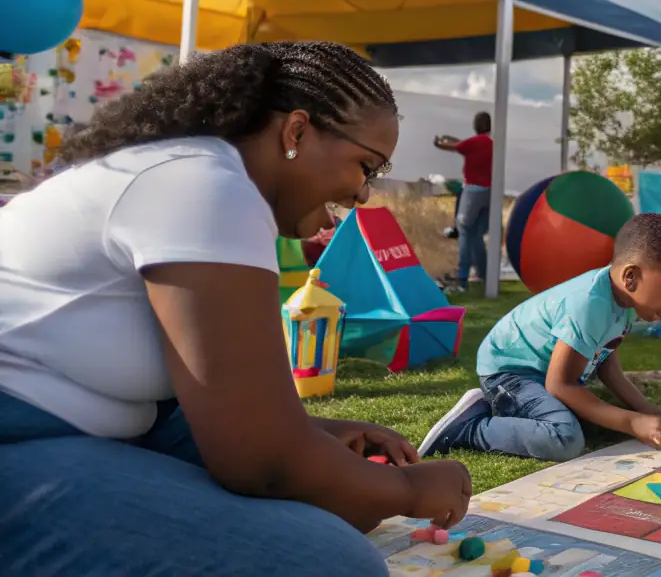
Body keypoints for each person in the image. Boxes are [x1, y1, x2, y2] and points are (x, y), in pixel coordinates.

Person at [0, 42, 473, 576]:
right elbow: (260, 462)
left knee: (330, 502)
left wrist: (313, 434)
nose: (364, 194)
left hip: (68, 433)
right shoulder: (204, 185)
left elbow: (215, 409)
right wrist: (406, 488)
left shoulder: (195, 173)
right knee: (327, 564)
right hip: (18, 446)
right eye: (366, 166)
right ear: (296, 132)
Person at [417, 214, 661, 462]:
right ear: (631, 277)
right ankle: (472, 427)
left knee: (602, 419)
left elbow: (607, 364)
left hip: (543, 376)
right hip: (510, 373)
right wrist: (632, 422)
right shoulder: (591, 303)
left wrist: (656, 415)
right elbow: (559, 385)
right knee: (564, 438)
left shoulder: (624, 302)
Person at [435, 112, 493, 293]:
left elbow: (452, 147)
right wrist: (451, 139)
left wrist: (438, 143)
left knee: (464, 231)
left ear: (476, 125)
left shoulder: (472, 144)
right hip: (489, 191)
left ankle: (461, 279)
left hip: (473, 191)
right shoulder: (489, 144)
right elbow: (461, 143)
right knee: (476, 234)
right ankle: (485, 275)